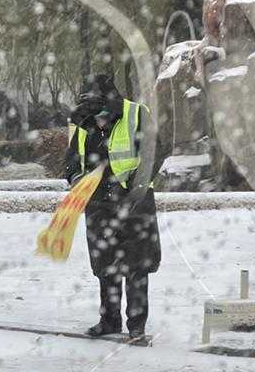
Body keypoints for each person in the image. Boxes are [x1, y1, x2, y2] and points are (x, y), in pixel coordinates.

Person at [65, 74, 166, 341]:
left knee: (137, 265)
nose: (95, 121)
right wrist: (76, 178)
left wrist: (135, 184)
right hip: (99, 204)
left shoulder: (136, 115)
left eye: (99, 114)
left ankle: (136, 326)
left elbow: (155, 151)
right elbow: (73, 159)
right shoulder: (85, 123)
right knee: (106, 264)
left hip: (134, 204)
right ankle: (109, 320)